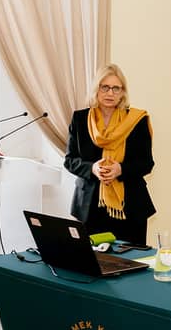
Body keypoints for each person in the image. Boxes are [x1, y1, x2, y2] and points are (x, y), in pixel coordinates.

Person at [64, 64, 156, 245]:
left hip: (130, 206)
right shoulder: (80, 119)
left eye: (116, 88)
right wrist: (92, 168)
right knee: (92, 260)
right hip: (89, 206)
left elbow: (146, 163)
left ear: (123, 92)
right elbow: (70, 160)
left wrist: (120, 169)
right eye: (104, 87)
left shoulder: (136, 120)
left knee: (131, 259)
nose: (110, 93)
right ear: (96, 89)